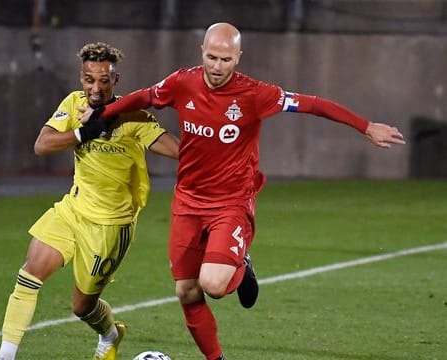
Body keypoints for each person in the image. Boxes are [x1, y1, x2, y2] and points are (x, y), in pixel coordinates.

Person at [83, 23, 406, 360]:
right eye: (211, 57)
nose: (217, 66)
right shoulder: (182, 82)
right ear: (202, 52)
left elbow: (312, 104)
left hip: (231, 203)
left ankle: (241, 262)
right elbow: (146, 96)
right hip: (188, 202)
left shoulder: (255, 94)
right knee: (187, 291)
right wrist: (103, 114)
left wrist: (366, 127)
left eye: (225, 59)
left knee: (213, 285)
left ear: (238, 58)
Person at [0, 42, 179, 360]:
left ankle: (110, 334)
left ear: (115, 80)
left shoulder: (133, 116)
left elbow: (177, 150)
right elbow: (42, 145)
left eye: (103, 80)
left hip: (110, 226)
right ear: (81, 78)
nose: (95, 87)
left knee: (83, 306)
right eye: (89, 79)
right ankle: (5, 356)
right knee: (29, 273)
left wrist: (210, 144)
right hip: (73, 210)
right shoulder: (74, 104)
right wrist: (83, 133)